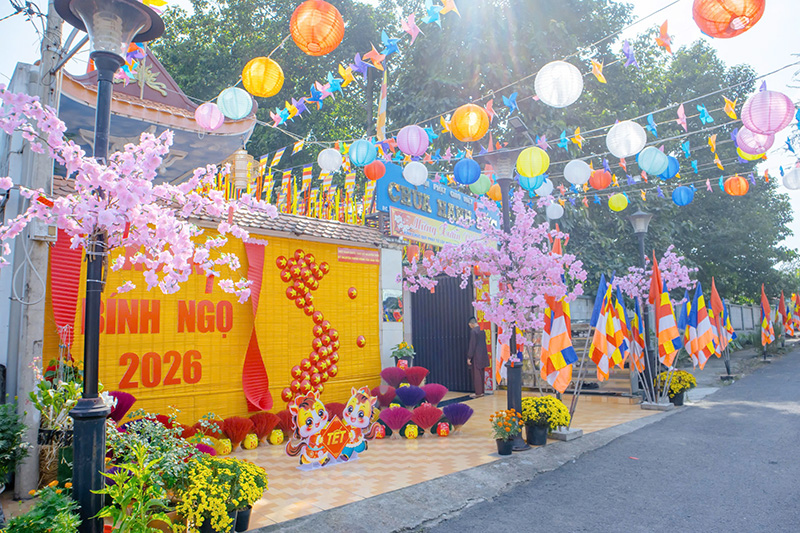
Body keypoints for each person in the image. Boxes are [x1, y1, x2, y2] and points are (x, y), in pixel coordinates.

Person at [466, 317, 489, 398]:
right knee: (481, 373)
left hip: (476, 355)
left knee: (477, 374)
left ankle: (478, 393)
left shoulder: (473, 331)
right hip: (483, 355)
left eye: (470, 325)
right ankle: (482, 391)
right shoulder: (482, 330)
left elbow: (472, 345)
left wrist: (469, 357)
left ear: (471, 324)